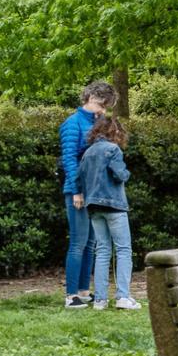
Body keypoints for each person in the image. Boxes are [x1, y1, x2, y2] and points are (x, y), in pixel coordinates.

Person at [59, 80, 114, 309]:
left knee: (91, 242)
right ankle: (71, 294)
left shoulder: (98, 122)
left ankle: (83, 290)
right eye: (102, 105)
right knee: (78, 242)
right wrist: (76, 191)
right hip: (78, 191)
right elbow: (69, 160)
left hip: (95, 190)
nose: (104, 110)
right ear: (91, 98)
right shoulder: (72, 124)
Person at [77, 113, 138, 310]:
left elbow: (80, 179)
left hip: (93, 207)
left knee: (102, 251)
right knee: (123, 249)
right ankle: (122, 296)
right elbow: (120, 174)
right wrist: (127, 173)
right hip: (114, 205)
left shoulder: (88, 152)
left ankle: (100, 300)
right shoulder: (113, 150)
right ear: (113, 131)